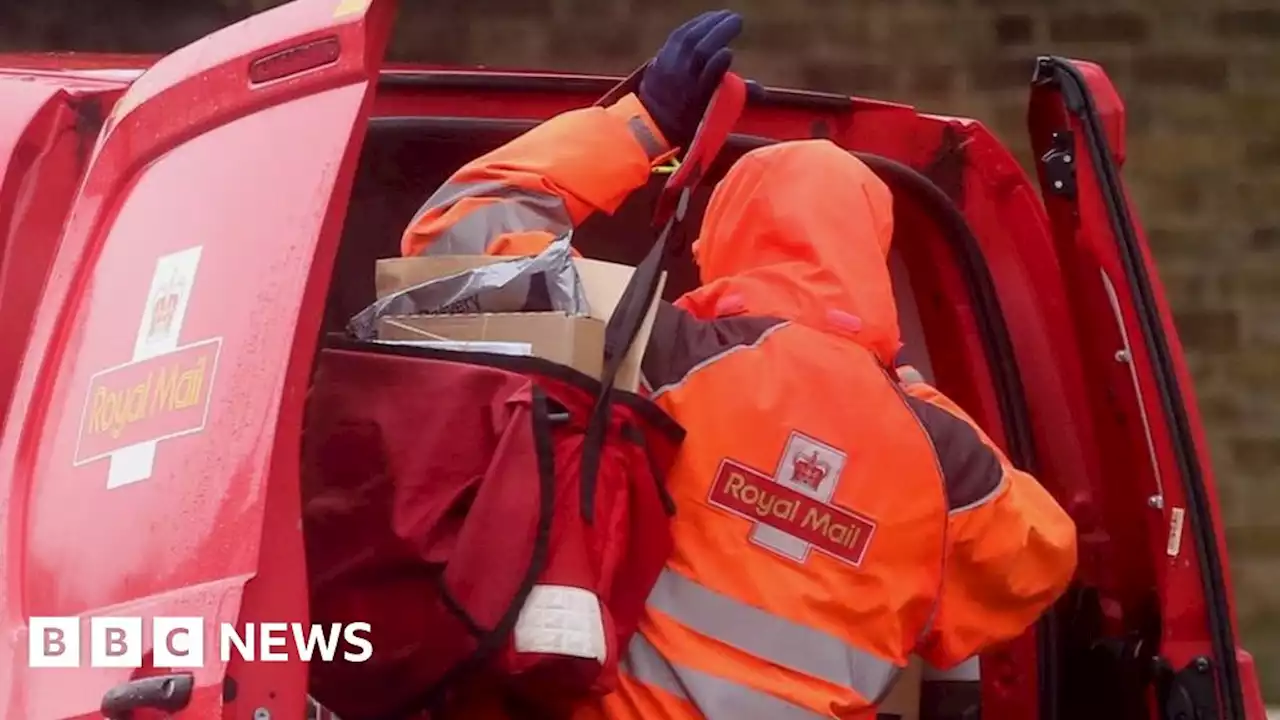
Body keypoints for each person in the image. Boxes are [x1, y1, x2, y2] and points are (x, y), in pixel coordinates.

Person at [402, 11, 1078, 719]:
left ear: (723, 240)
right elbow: (1041, 556)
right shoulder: (942, 455)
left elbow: (454, 250)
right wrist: (896, 388)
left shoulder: (655, 351)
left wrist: (641, 124)